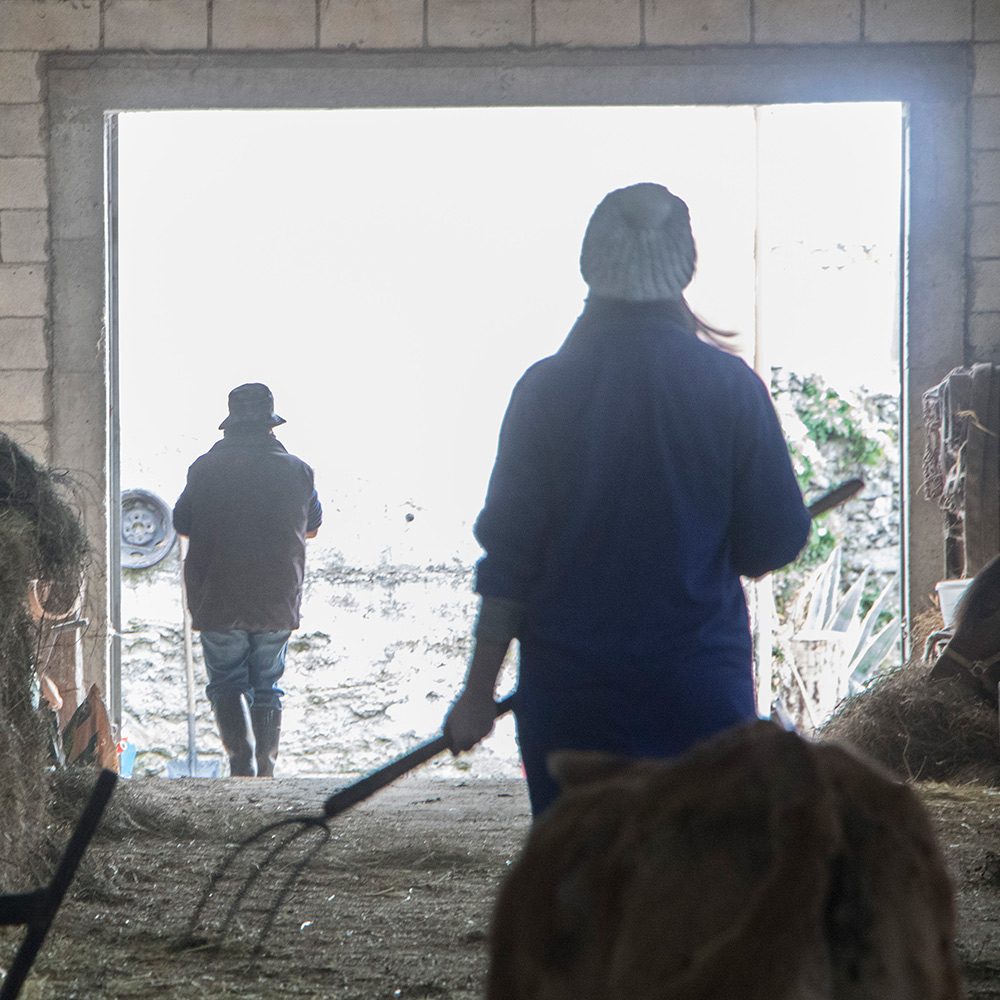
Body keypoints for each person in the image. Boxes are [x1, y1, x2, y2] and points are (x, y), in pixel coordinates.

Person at [443, 182, 813, 816]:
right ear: (685, 266)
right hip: (697, 694)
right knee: (702, 883)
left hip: (574, 701)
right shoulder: (730, 389)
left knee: (586, 884)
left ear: (591, 265)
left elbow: (509, 560)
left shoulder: (545, 391)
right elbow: (771, 544)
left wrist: (478, 694)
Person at [173, 382, 322, 777]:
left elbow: (181, 523)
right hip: (276, 598)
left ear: (230, 426)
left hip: (217, 594)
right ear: (272, 426)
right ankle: (265, 766)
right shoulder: (298, 471)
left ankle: (240, 762)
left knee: (225, 680)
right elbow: (312, 528)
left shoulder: (205, 468)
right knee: (267, 682)